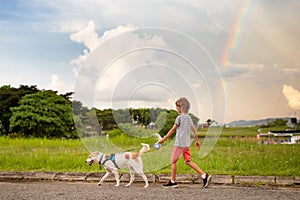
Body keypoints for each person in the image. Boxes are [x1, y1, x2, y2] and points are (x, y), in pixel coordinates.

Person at [159, 97, 212, 188]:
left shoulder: (179, 118)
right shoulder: (189, 118)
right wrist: (197, 140)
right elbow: (194, 130)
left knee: (173, 161)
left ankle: (173, 181)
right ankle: (204, 176)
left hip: (179, 144)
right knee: (188, 161)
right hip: (186, 145)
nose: (176, 109)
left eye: (177, 107)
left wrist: (163, 139)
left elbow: (172, 130)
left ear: (181, 107)